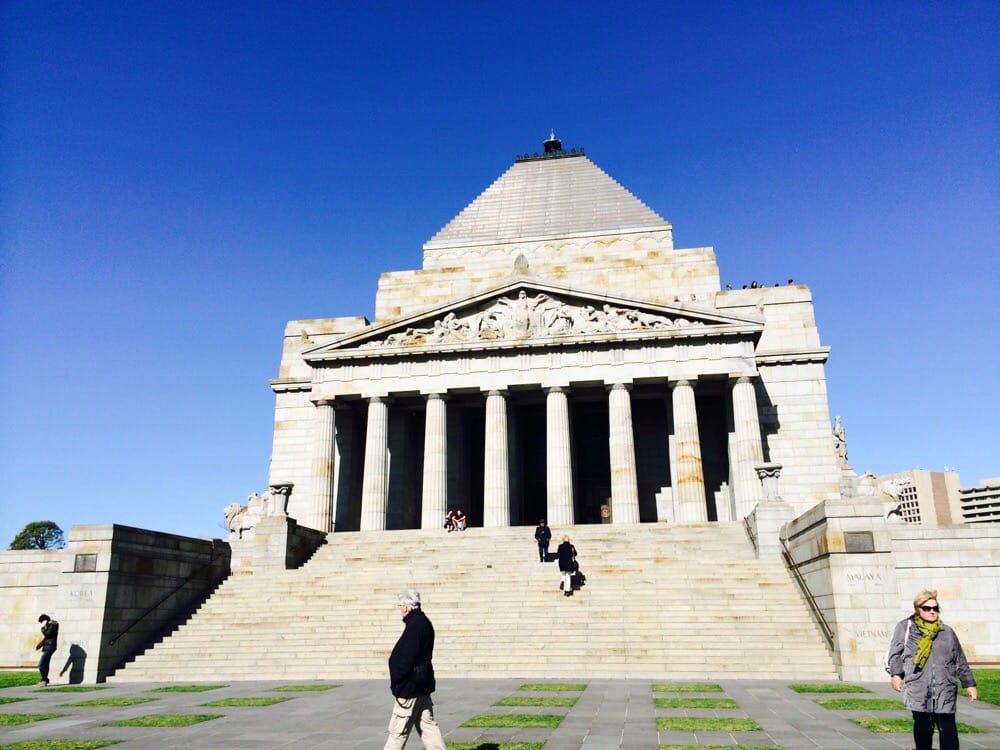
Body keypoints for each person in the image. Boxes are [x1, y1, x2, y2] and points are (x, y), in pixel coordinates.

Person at [886, 590, 977, 750]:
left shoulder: (946, 631)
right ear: (918, 609)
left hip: (945, 687)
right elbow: (895, 654)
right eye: (927, 608)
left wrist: (969, 684)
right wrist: (896, 675)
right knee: (923, 729)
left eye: (935, 608)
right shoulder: (905, 628)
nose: (932, 611)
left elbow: (959, 658)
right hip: (919, 688)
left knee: (948, 729)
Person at [384, 590, 446, 750]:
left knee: (398, 732)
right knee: (428, 727)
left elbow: (405, 659)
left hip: (410, 688)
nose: (399, 609)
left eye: (400, 606)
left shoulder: (415, 626)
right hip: (422, 684)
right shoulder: (423, 622)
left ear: (405, 607)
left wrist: (397, 681)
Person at [35, 613, 59, 686]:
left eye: (41, 622)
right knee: (45, 664)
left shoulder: (53, 625)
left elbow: (48, 635)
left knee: (41, 664)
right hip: (47, 647)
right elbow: (46, 639)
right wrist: (39, 646)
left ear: (45, 620)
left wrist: (42, 629)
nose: (41, 624)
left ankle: (44, 679)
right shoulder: (48, 626)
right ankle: (44, 680)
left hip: (50, 647)